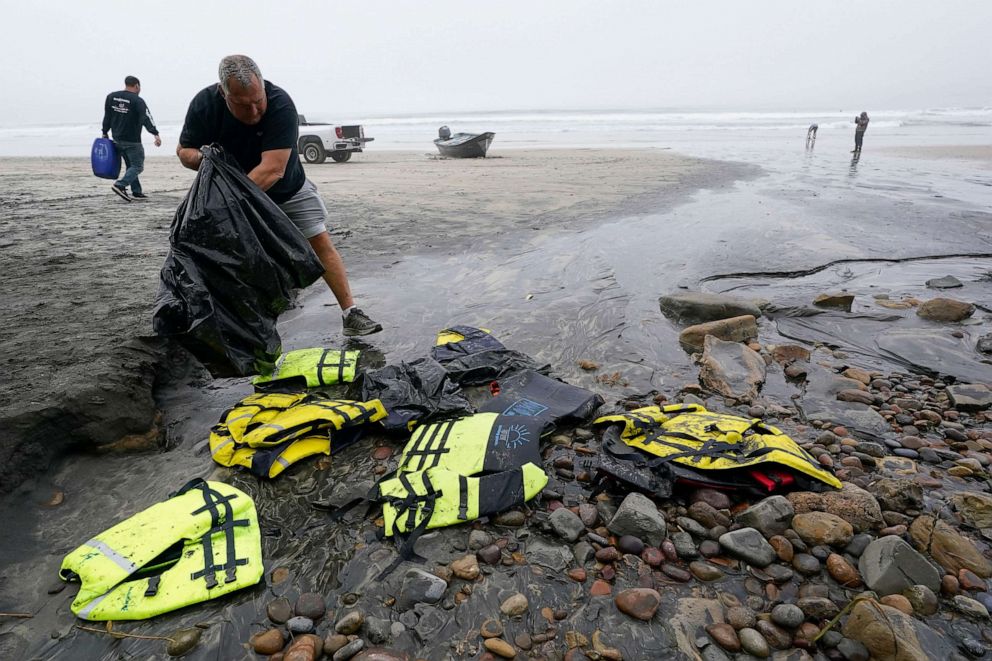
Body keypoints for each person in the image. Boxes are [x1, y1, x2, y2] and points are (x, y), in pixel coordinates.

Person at [176, 55, 382, 337]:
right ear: (223, 93)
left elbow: (272, 170)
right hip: (232, 196)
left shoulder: (281, 104)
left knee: (320, 244)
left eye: (258, 100)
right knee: (238, 261)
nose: (254, 111)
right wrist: (205, 159)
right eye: (242, 104)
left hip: (286, 189)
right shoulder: (204, 105)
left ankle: (351, 313)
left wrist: (232, 208)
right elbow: (184, 151)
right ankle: (243, 329)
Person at [102, 75, 161, 201]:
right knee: (138, 166)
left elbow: (107, 116)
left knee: (130, 165)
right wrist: (155, 133)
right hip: (132, 140)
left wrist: (104, 132)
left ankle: (136, 191)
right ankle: (120, 185)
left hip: (117, 139)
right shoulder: (137, 100)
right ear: (137, 86)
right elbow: (146, 117)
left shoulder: (111, 97)